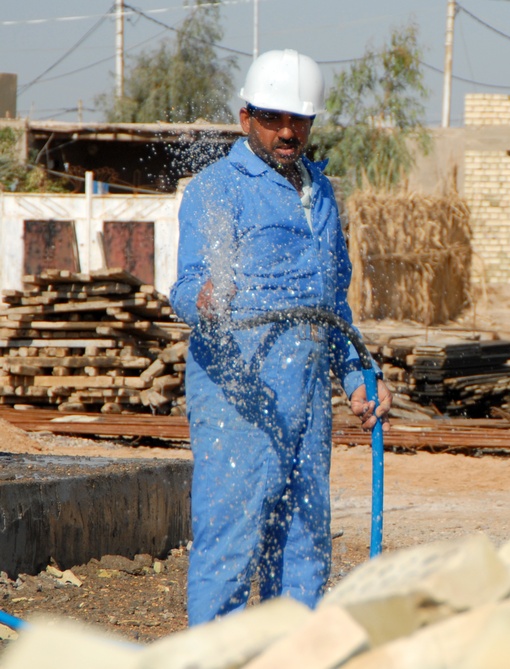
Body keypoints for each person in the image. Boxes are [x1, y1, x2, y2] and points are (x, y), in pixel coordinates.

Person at [169, 49, 392, 626]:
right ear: (246, 118)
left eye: (299, 119)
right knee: (231, 543)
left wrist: (358, 375)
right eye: (273, 118)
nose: (287, 131)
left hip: (308, 399)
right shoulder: (217, 189)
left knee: (304, 542)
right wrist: (204, 299)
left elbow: (332, 303)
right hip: (238, 399)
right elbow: (186, 285)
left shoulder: (320, 192)